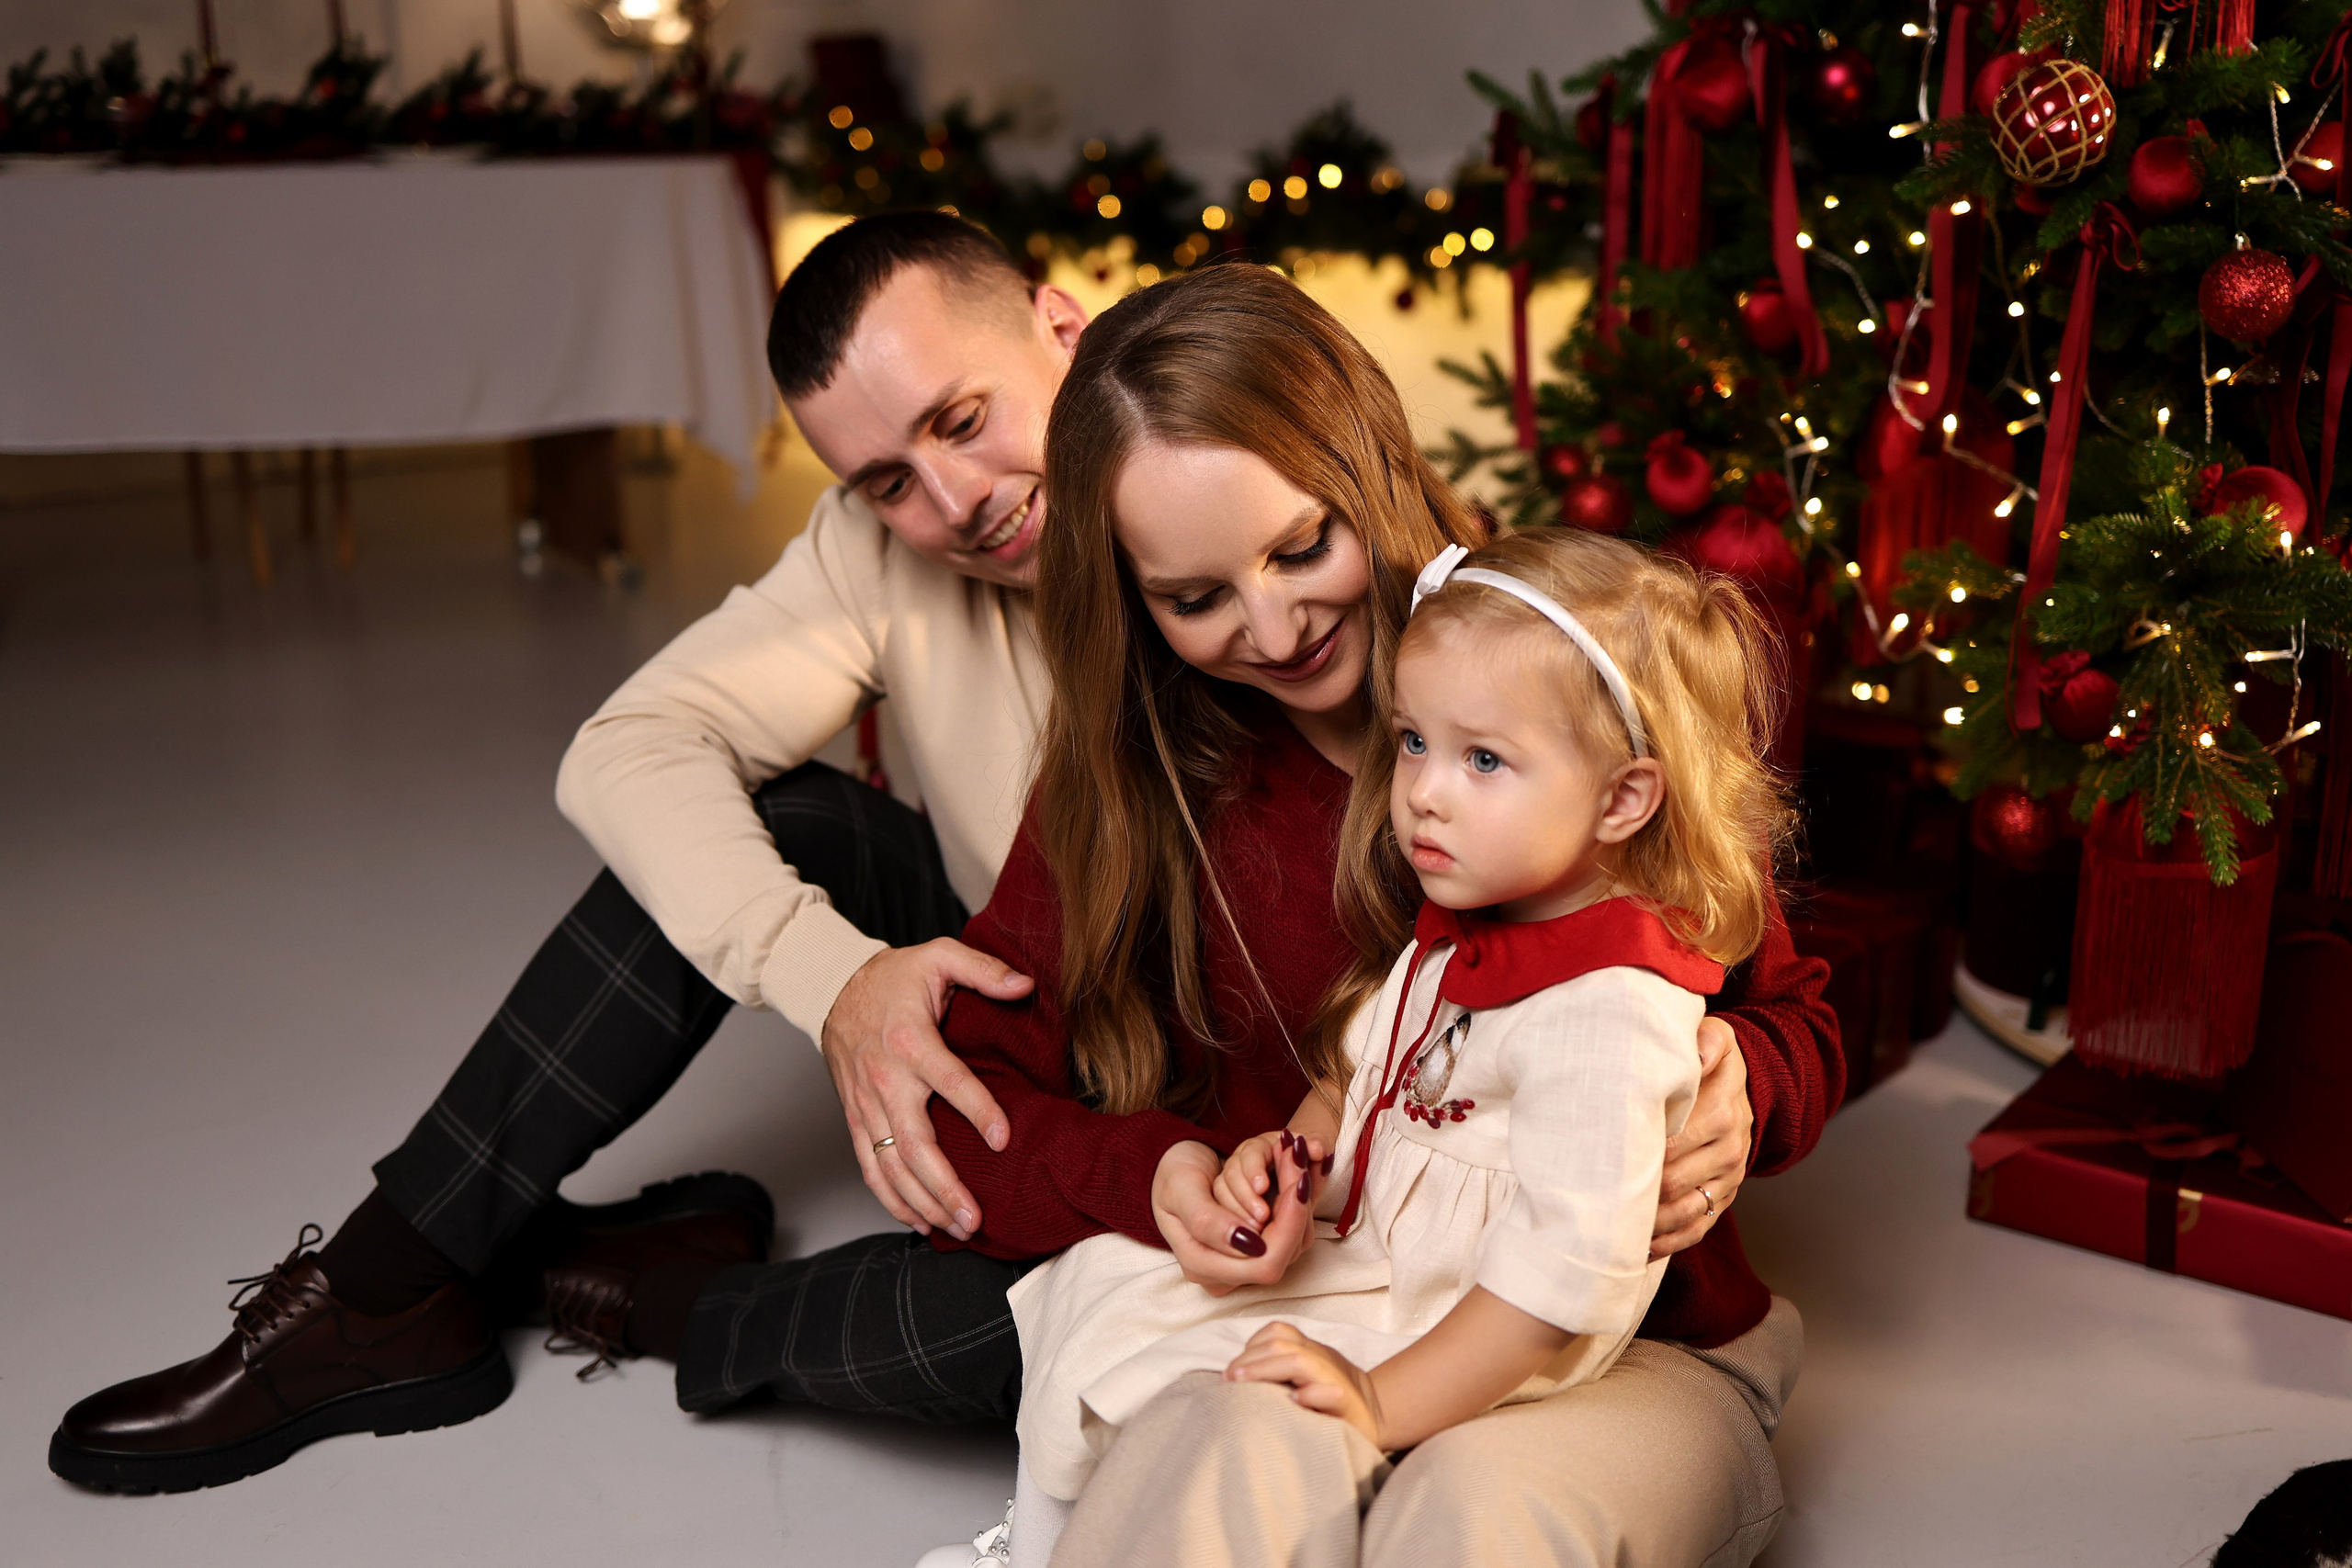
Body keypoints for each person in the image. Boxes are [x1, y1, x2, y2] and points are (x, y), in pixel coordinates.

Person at [50, 220, 1770, 1499]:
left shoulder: (1464, 646)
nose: (956, 499)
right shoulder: (1105, 717)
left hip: (1335, 1175)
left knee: (968, 1336)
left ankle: (618, 1285)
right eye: (891, 476)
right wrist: (856, 990)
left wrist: (1741, 1075)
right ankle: (397, 1274)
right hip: (1095, 1019)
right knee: (790, 847)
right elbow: (633, 752)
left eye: (966, 420)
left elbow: (1732, 933)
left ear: (1063, 332)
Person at [918, 263, 1837, 1567]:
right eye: (1197, 596)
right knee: (1219, 1452)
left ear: (1368, 470)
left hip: (1627, 1354)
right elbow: (1325, 1079)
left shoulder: (1575, 671)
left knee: (1474, 1516)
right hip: (1345, 1303)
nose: (1278, 623)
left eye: (1303, 547)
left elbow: (1787, 1011)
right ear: (1129, 596)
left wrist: (1745, 1076)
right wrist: (1176, 1172)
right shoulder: (1133, 785)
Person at [1014, 524, 1797, 1566]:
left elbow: (1555, 1286)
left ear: (1622, 799)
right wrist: (1283, 1166)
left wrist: (1376, 1404)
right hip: (1396, 1278)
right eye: (1413, 742)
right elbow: (1356, 1084)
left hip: (1514, 1342)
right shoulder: (1463, 936)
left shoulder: (1606, 1010)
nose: (1422, 789)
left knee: (1454, 1504)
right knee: (1124, 1299)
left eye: (1482, 759)